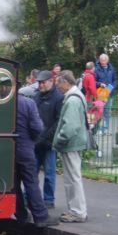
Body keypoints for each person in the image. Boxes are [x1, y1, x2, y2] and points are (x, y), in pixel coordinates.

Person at [8, 78, 56, 227]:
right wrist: (33, 140)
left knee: (14, 184)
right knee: (31, 182)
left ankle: (21, 215)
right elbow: (37, 127)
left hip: (7, 151)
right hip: (25, 148)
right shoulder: (28, 103)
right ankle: (41, 216)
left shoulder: (1, 104)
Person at [53, 70, 88, 223]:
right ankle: (75, 210)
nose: (57, 88)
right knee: (72, 177)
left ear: (66, 83)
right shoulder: (76, 96)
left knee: (73, 178)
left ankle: (78, 212)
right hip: (74, 143)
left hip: (70, 144)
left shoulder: (72, 100)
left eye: (58, 84)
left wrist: (59, 141)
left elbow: (70, 127)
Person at [33, 70, 63, 209]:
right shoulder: (37, 96)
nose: (40, 85)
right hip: (36, 141)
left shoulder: (58, 98)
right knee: (32, 172)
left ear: (51, 81)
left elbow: (58, 121)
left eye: (43, 82)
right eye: (39, 82)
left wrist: (45, 136)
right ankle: (31, 197)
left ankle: (49, 200)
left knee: (49, 174)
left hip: (49, 143)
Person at [94, 53, 117, 134]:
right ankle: (99, 129)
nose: (103, 62)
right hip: (100, 94)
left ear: (107, 60)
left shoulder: (112, 69)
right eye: (102, 60)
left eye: (105, 60)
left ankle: (105, 128)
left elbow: (115, 80)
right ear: (99, 61)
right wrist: (100, 84)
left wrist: (112, 87)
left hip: (109, 94)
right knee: (100, 111)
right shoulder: (96, 69)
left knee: (107, 111)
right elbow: (94, 81)